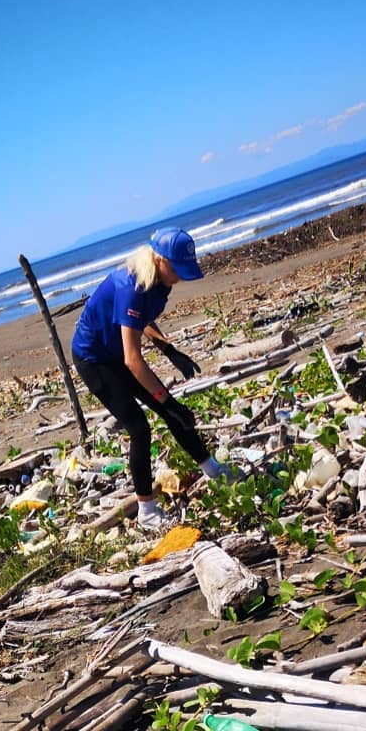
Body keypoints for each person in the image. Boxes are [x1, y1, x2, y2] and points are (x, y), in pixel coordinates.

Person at [71, 227, 230, 530]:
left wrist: (168, 349)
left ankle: (212, 469)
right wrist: (167, 401)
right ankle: (147, 510)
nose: (181, 276)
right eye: (177, 269)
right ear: (159, 259)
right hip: (94, 359)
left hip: (116, 352)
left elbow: (142, 320)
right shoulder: (130, 286)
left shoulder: (159, 281)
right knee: (140, 428)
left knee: (174, 415)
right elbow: (133, 359)